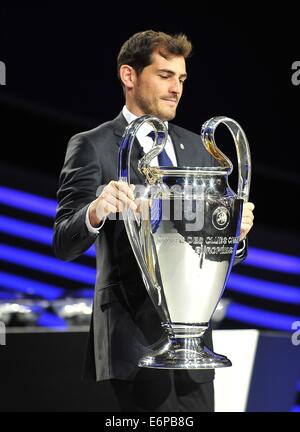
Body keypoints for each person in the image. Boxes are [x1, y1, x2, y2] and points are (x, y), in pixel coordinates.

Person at [53, 30, 255, 412]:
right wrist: (97, 210)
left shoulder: (199, 147)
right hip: (134, 345)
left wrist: (233, 235)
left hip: (194, 351)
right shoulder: (93, 145)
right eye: (164, 75)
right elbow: (63, 242)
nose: (176, 88)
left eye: (181, 79)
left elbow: (207, 253)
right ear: (129, 76)